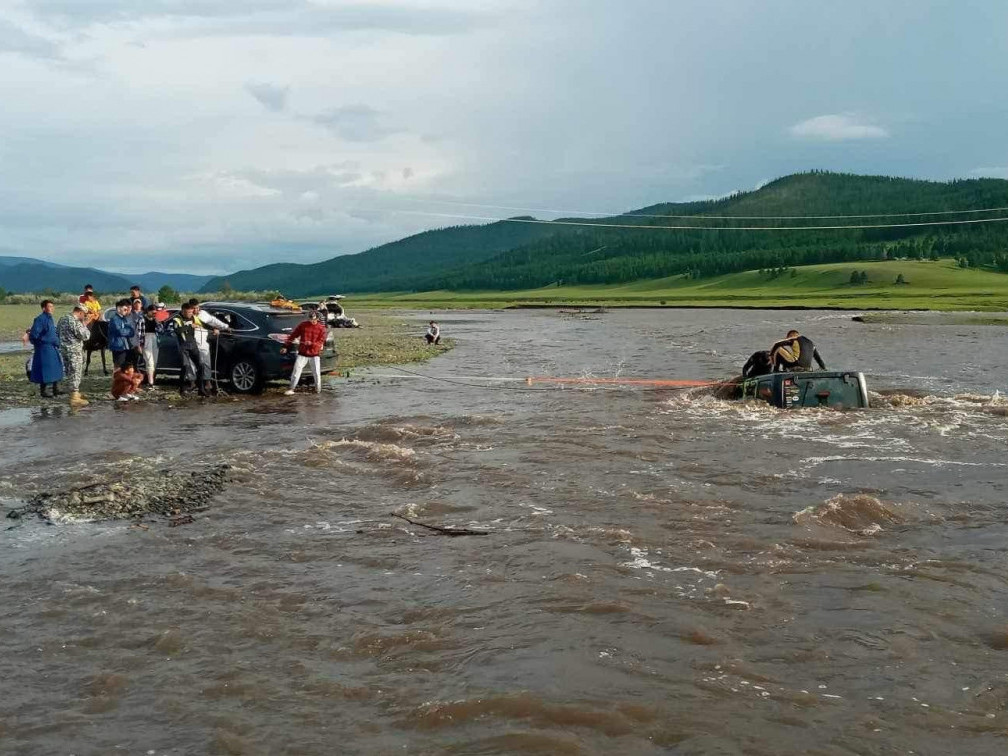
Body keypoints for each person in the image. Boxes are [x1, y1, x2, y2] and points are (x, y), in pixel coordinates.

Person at [282, 309, 327, 395]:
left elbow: (321, 342)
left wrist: (312, 344)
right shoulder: (303, 325)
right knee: (296, 371)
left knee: (317, 373)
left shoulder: (322, 329)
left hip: (314, 354)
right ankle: (291, 389)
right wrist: (285, 346)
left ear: (317, 318)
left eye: (313, 319)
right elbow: (293, 335)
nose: (312, 320)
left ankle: (318, 390)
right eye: (310, 319)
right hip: (302, 353)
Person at [190, 300, 231, 393]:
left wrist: (225, 327)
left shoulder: (203, 314)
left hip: (203, 341)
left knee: (206, 362)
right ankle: (192, 382)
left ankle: (208, 381)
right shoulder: (188, 316)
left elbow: (214, 321)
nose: (196, 310)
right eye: (194, 308)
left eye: (197, 307)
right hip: (191, 342)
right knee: (191, 363)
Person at [57, 302, 92, 407]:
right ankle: (74, 397)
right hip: (74, 351)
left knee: (69, 372)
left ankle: (74, 393)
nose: (84, 317)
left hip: (64, 349)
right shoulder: (75, 321)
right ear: (80, 312)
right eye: (84, 314)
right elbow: (85, 336)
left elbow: (57, 332)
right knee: (75, 372)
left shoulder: (63, 318)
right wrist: (85, 324)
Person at [28, 300, 64, 398]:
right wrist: (40, 343)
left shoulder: (50, 319)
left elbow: (52, 333)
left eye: (53, 306)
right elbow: (34, 335)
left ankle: (56, 389)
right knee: (45, 369)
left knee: (57, 366)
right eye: (50, 306)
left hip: (52, 346)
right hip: (44, 348)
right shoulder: (40, 319)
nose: (52, 308)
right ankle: (43, 391)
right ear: (44, 308)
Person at [171, 301, 208, 397]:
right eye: (188, 312)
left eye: (191, 312)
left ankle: (201, 389)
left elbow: (204, 324)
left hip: (193, 344)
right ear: (183, 311)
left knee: (201, 365)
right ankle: (181, 389)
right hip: (183, 346)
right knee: (185, 366)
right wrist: (189, 326)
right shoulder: (177, 319)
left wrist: (216, 329)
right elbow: (177, 330)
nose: (191, 314)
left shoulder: (193, 317)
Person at [107, 299, 137, 371]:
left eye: (127, 309)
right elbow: (120, 331)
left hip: (125, 346)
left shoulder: (124, 319)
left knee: (126, 366)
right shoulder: (114, 319)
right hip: (118, 346)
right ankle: (117, 381)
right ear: (119, 308)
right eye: (125, 309)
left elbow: (132, 331)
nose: (126, 311)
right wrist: (128, 331)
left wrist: (128, 331)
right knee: (118, 367)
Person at [141, 304, 162, 386]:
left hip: (154, 338)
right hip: (146, 337)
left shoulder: (155, 320)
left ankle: (151, 378)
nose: (154, 314)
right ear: (148, 311)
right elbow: (139, 332)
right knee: (149, 361)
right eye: (153, 313)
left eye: (155, 313)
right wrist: (141, 343)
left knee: (155, 361)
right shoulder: (142, 319)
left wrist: (158, 322)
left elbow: (161, 330)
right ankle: (151, 382)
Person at [128, 299, 146, 384]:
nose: (137, 305)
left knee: (141, 362)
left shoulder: (144, 314)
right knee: (134, 362)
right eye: (135, 303)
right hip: (133, 342)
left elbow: (143, 331)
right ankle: (133, 380)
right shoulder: (130, 314)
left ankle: (139, 380)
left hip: (143, 341)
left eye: (139, 303)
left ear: (141, 305)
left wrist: (142, 343)